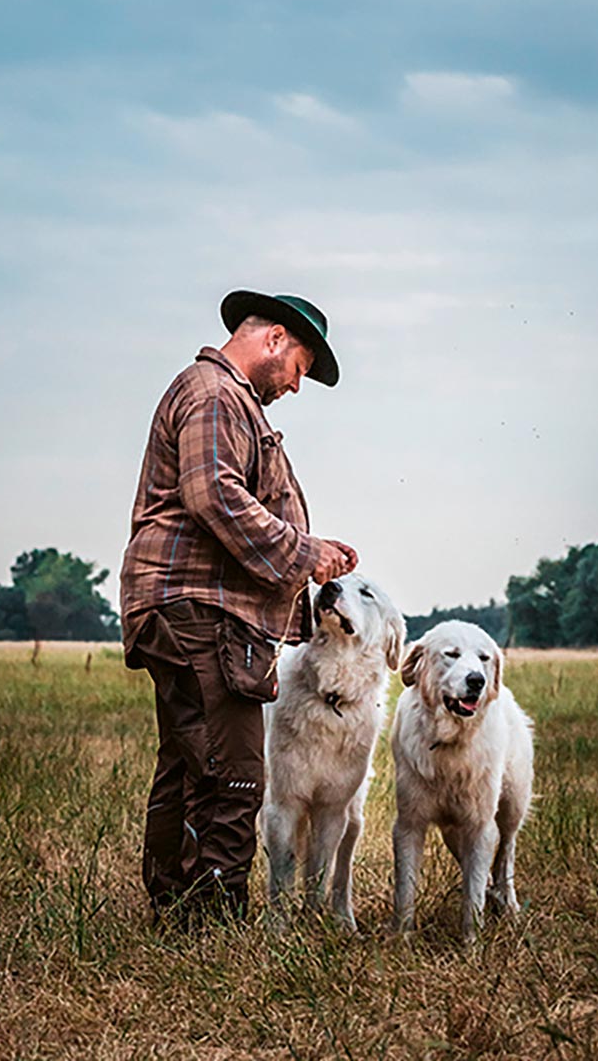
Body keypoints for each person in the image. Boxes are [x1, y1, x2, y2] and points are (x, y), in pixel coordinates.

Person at [119, 289, 358, 926]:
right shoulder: (216, 393)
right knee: (235, 776)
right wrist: (304, 552)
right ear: (274, 340)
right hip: (200, 610)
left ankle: (174, 911)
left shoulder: (221, 397)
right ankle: (211, 923)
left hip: (188, 607)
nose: (297, 387)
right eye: (301, 369)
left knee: (190, 765)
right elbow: (214, 496)